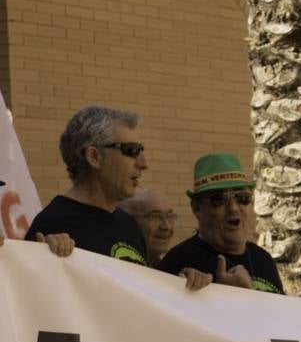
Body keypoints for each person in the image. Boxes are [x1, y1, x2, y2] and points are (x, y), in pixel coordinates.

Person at [17, 106, 209, 290]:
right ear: (94, 157)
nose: (143, 163)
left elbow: (141, 294)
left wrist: (181, 285)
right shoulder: (53, 224)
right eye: (132, 151)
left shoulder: (129, 224)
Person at [157, 153, 286, 294]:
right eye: (219, 199)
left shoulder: (263, 259)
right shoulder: (179, 262)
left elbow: (280, 314)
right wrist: (224, 294)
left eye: (242, 198)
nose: (233, 208)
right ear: (197, 208)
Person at [117, 188, 177, 267]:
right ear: (128, 220)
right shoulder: (118, 267)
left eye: (170, 216)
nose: (166, 227)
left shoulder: (168, 269)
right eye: (155, 217)